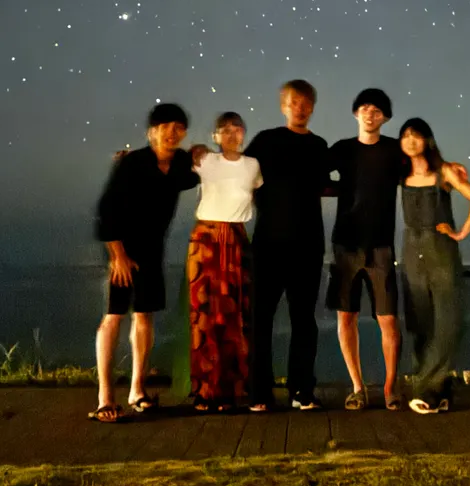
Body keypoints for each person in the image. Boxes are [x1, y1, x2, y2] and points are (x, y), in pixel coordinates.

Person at [89, 102, 197, 422]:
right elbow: (106, 210)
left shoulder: (180, 164)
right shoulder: (132, 163)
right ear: (152, 132)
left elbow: (198, 173)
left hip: (152, 250)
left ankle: (137, 390)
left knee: (145, 317)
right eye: (165, 127)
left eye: (178, 128)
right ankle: (105, 396)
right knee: (113, 317)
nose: (171, 133)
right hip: (121, 248)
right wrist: (118, 256)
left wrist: (202, 151)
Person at [243, 80, 332, 411]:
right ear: (284, 106)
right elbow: (236, 171)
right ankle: (259, 393)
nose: (301, 107)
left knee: (304, 320)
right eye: (295, 102)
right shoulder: (266, 141)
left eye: (307, 102)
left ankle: (301, 390)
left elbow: (331, 184)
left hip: (308, 245)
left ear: (313, 107)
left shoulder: (320, 146)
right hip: (267, 244)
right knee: (261, 319)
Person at [398, 116, 470, 415]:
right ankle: (438, 390)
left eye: (416, 135)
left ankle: (427, 389)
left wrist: (460, 233)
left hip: (441, 252)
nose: (411, 140)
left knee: (447, 322)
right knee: (419, 322)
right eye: (405, 135)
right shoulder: (399, 174)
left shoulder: (444, 173)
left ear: (427, 139)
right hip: (411, 253)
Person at [326, 89, 405, 410]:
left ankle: (389, 387)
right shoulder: (343, 149)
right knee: (347, 317)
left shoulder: (393, 150)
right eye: (364, 108)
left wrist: (449, 168)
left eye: (377, 110)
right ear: (355, 113)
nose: (370, 113)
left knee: (388, 319)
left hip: (382, 247)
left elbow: (423, 164)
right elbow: (312, 170)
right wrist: (336, 189)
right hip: (345, 244)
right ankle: (358, 387)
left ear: (385, 117)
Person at [187, 112, 262, 412]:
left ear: (244, 133)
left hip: (237, 239)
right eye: (224, 130)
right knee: (203, 314)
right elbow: (166, 163)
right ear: (215, 136)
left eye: (236, 129)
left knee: (235, 315)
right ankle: (205, 390)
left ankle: (232, 389)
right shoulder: (205, 161)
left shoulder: (253, 165)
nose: (231, 135)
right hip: (205, 240)